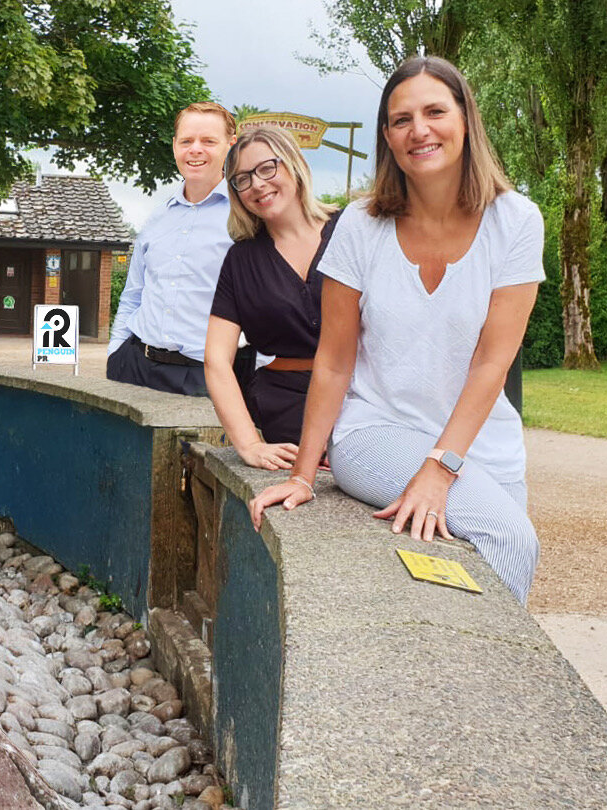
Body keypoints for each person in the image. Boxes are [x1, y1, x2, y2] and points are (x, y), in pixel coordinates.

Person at [249, 56, 545, 604]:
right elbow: (334, 362)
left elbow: (492, 363)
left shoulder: (517, 221)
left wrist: (440, 466)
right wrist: (305, 473)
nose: (419, 130)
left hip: (484, 446)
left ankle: (462, 683)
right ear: (386, 135)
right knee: (509, 536)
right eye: (401, 119)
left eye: (435, 111)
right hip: (377, 433)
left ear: (465, 120)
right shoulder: (361, 225)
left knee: (486, 575)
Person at [205, 125, 339, 470]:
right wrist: (248, 443)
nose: (257, 185)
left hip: (366, 400)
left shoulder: (352, 230)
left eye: (267, 168)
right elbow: (217, 360)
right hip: (287, 410)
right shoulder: (241, 261)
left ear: (294, 165)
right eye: (242, 179)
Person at [107, 102, 238, 396]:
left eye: (208, 141)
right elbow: (133, 295)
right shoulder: (156, 218)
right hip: (135, 366)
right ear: (175, 145)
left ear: (230, 146)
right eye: (186, 141)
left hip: (205, 377)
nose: (195, 149)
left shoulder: (246, 220)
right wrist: (115, 352)